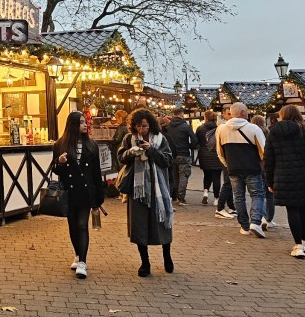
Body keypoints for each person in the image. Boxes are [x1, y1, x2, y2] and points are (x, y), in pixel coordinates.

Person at [118, 108, 174, 277]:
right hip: (138, 190)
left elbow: (167, 160)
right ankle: (145, 262)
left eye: (144, 126)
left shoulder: (160, 139)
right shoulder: (129, 139)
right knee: (140, 226)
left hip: (158, 187)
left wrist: (150, 150)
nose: (141, 130)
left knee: (161, 222)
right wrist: (130, 152)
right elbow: (120, 157)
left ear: (150, 125)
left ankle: (167, 256)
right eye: (137, 127)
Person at [264, 105, 305, 259]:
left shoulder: (274, 132)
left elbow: (269, 158)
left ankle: (297, 245)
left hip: (283, 175)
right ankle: (304, 241)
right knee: (304, 207)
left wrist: (269, 180)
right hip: (304, 174)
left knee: (292, 210)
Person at [53, 111, 105, 279]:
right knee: (73, 226)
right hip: (69, 191)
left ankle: (82, 261)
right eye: (81, 122)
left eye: (85, 122)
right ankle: (77, 254)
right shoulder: (60, 144)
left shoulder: (92, 145)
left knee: (82, 225)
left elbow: (96, 172)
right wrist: (59, 162)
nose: (85, 124)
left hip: (86, 191)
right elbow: (55, 169)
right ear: (73, 125)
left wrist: (98, 196)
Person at [216, 102, 267, 238]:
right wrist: (263, 163)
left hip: (233, 167)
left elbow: (219, 152)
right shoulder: (254, 128)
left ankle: (244, 226)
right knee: (257, 195)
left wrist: (227, 164)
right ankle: (255, 221)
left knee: (239, 197)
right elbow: (263, 150)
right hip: (252, 167)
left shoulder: (221, 129)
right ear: (244, 113)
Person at [163, 108, 197, 206]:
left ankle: (175, 196)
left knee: (175, 176)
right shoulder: (185, 126)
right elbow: (194, 140)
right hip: (184, 154)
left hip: (172, 155)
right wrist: (189, 146)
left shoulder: (168, 127)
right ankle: (181, 198)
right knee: (184, 175)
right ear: (182, 115)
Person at [251, 114, 278, 229]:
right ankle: (268, 218)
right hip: (268, 166)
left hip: (256, 165)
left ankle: (260, 216)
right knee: (270, 194)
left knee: (258, 194)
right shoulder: (268, 132)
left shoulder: (251, 133)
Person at [195, 110, 222, 206]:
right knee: (216, 177)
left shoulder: (200, 128)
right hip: (216, 155)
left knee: (206, 175)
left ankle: (205, 193)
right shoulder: (219, 129)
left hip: (204, 154)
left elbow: (195, 141)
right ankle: (216, 199)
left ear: (205, 117)